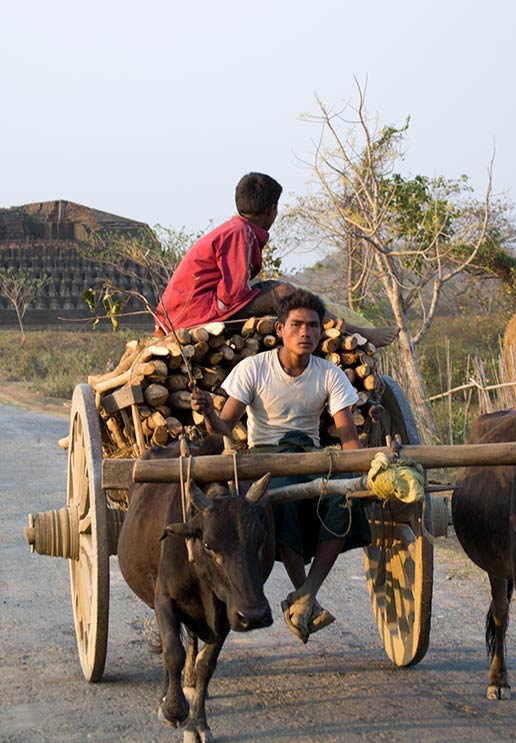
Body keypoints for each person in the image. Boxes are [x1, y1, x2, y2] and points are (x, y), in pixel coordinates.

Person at [191, 290, 371, 644]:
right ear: (280, 328)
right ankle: (301, 591)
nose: (305, 333)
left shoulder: (329, 373)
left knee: (343, 502)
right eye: (297, 325)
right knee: (279, 502)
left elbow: (348, 434)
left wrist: (360, 474)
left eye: (313, 326)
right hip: (266, 458)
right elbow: (225, 426)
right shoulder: (253, 367)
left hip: (311, 455)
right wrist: (210, 413)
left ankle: (306, 593)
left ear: (321, 332)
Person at [155, 171, 396, 347]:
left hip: (182, 313)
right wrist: (274, 296)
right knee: (283, 293)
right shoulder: (240, 234)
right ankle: (353, 333)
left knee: (276, 291)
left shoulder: (235, 229)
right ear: (272, 209)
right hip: (193, 315)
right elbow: (231, 294)